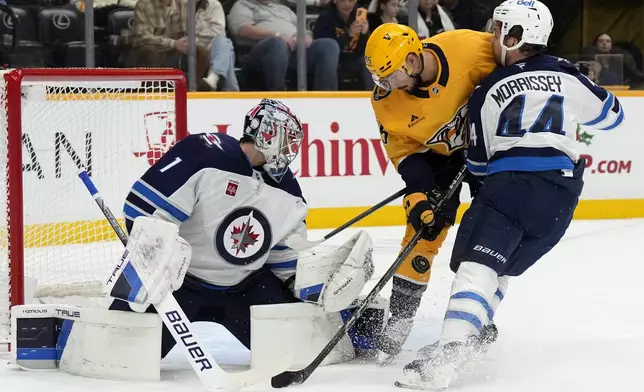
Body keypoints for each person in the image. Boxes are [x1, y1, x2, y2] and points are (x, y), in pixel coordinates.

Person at [396, 1, 625, 390]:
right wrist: (574, 81)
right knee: (499, 270)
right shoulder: (567, 73)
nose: (492, 34)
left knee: (476, 268)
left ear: (515, 36)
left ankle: (447, 356)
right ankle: (474, 334)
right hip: (562, 195)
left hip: (511, 187)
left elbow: (480, 164)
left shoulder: (488, 87)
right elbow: (613, 115)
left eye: (499, 27)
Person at [110, 99, 379, 360]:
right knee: (117, 353)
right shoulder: (207, 154)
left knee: (315, 349)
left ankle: (358, 328)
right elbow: (141, 208)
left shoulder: (287, 191)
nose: (290, 149)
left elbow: (285, 261)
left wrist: (318, 287)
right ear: (268, 134)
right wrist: (156, 257)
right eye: (287, 140)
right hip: (179, 286)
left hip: (246, 289)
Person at [363, 23, 497, 366]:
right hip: (437, 156)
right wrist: (417, 193)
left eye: (389, 76)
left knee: (491, 232)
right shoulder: (386, 101)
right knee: (424, 230)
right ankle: (401, 316)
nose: (384, 86)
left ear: (411, 59)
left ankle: (477, 309)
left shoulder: (467, 47)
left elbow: (515, 63)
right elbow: (404, 151)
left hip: (491, 149)